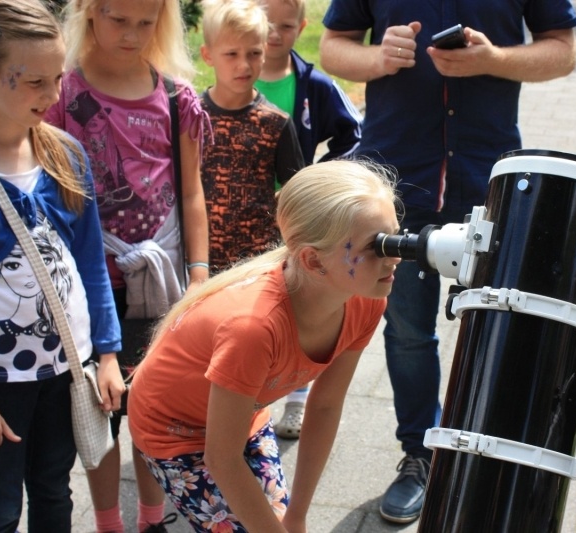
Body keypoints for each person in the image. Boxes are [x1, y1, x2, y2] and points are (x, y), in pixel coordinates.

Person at [319, 1, 576, 524]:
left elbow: (563, 52)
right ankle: (421, 456)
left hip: (492, 182)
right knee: (409, 333)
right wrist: (377, 59)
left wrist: (495, 59)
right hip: (397, 181)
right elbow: (332, 47)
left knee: (501, 327)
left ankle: (488, 456)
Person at [128, 159, 402, 533]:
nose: (394, 257)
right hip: (172, 430)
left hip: (239, 418)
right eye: (376, 246)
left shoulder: (366, 300)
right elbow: (222, 458)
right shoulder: (253, 328)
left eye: (394, 238)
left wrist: (297, 515)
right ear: (312, 260)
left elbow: (324, 405)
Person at [44, 0, 211, 531]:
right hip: (87, 283)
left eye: (146, 22)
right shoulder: (60, 93)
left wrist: (200, 274)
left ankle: (152, 519)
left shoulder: (176, 96)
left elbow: (191, 193)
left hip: (160, 284)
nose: (132, 34)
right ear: (89, 12)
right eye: (119, 20)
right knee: (99, 416)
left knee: (154, 410)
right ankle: (109, 522)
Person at [0, 1, 123, 531]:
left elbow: (91, 264)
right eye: (35, 82)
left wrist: (107, 354)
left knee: (53, 492)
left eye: (58, 78)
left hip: (65, 369)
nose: (54, 95)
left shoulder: (65, 155)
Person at [255, 0, 364, 440]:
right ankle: (250, 395)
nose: (274, 34)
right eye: (266, 24)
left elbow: (353, 133)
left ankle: (297, 398)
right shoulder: (233, 76)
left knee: (298, 299)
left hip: (295, 219)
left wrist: (315, 181)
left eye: (285, 26)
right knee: (257, 308)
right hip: (241, 218)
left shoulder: (314, 84)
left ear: (301, 27)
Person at [198, 0, 305, 273]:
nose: (243, 65)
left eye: (254, 53)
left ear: (265, 52)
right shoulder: (191, 116)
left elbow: (295, 192)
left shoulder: (276, 122)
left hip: (257, 265)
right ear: (208, 55)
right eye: (231, 54)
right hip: (197, 263)